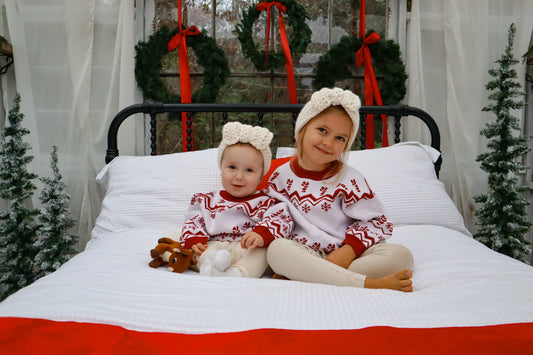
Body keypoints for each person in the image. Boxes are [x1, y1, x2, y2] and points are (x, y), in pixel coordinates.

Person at [265, 87, 414, 292]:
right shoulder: (280, 176)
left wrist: (349, 251)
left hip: (349, 254)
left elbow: (375, 221)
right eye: (322, 130)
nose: (328, 143)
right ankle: (367, 284)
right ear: (302, 128)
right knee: (276, 250)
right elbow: (272, 218)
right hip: (304, 252)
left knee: (401, 257)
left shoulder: (349, 178)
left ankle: (303, 274)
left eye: (340, 138)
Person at [180, 121, 293, 278]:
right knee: (197, 251)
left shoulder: (267, 202)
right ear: (221, 168)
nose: (239, 177)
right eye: (232, 167)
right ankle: (210, 264)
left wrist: (261, 234)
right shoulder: (206, 200)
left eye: (249, 170)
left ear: (261, 176)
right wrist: (194, 239)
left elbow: (282, 220)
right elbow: (193, 221)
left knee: (263, 252)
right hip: (215, 246)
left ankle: (239, 273)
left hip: (247, 248)